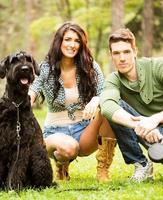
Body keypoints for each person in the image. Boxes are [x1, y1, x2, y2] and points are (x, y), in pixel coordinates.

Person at [100, 28, 163, 184]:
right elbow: (107, 106)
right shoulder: (113, 79)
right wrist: (142, 124)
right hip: (149, 130)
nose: (122, 58)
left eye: (127, 52)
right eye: (116, 53)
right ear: (110, 55)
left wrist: (153, 120)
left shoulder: (160, 66)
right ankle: (142, 165)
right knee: (116, 108)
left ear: (135, 51)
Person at [29, 22, 116, 182]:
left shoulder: (90, 66)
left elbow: (105, 92)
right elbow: (33, 89)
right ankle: (61, 165)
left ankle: (103, 170)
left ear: (81, 44)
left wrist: (96, 100)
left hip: (84, 131)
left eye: (77, 41)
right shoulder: (46, 67)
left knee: (109, 110)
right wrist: (27, 102)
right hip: (55, 132)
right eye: (68, 39)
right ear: (59, 41)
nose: (72, 44)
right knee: (68, 148)